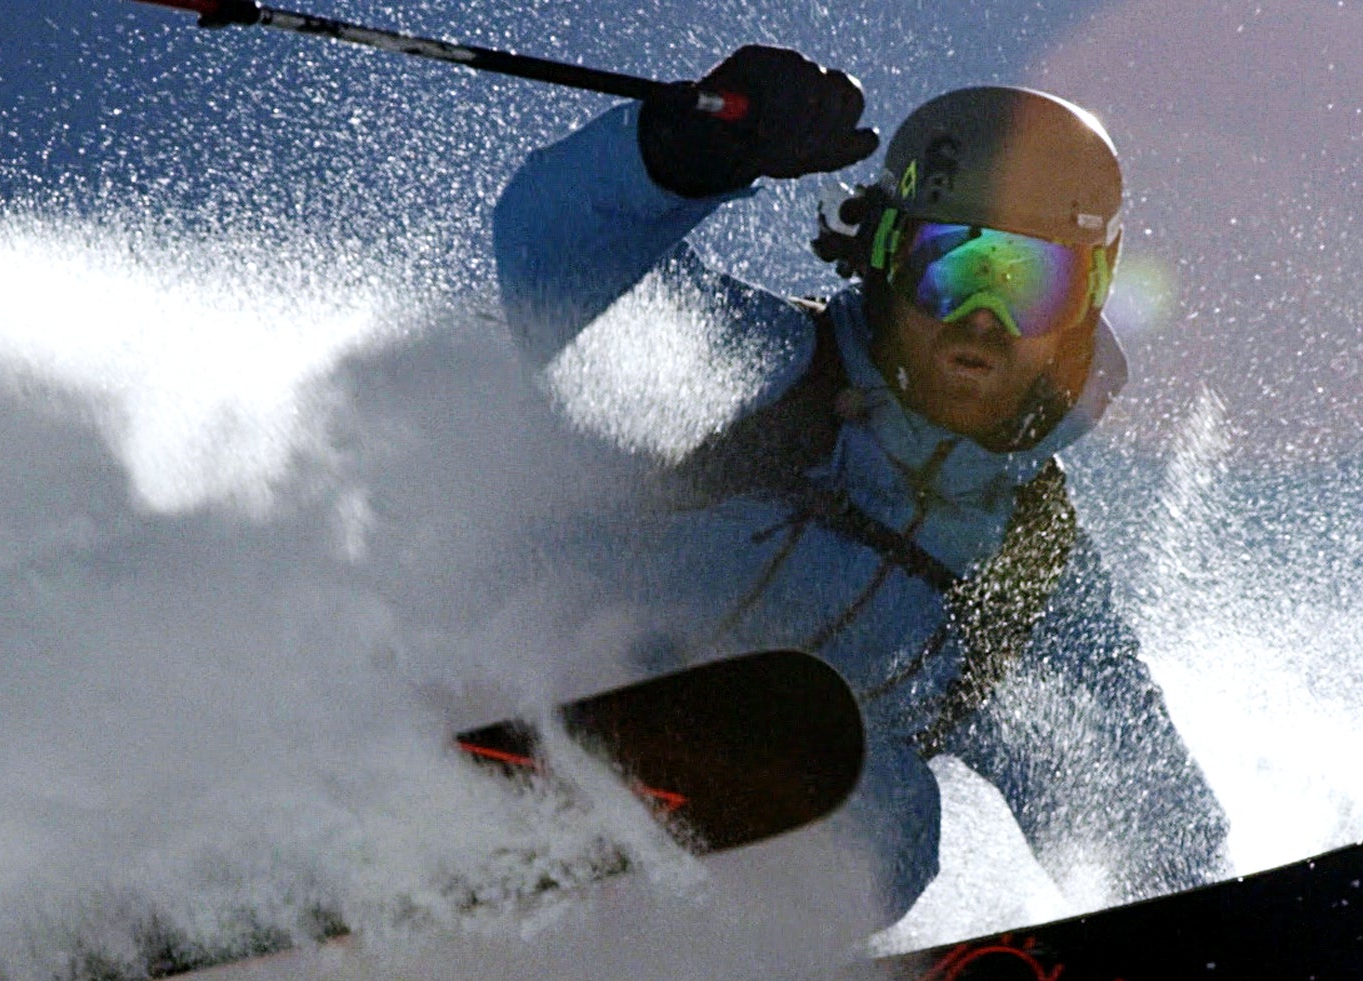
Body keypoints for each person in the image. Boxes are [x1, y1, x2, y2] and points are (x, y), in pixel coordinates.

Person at [493, 45, 1228, 922]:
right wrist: (678, 154)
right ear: (883, 252)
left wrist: (1222, 942)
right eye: (949, 267)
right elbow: (557, 275)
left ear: (1088, 301)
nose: (981, 322)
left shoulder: (1024, 565)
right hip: (536, 706)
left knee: (881, 810)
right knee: (817, 746)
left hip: (717, 910)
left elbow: (1130, 804)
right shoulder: (763, 375)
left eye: (1030, 287)